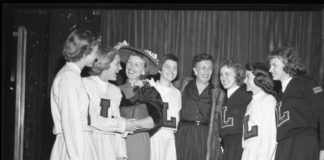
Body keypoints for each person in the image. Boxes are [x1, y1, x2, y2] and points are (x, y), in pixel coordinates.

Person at [49, 29, 100, 160]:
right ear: (85, 52)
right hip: (72, 147)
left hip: (79, 142)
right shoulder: (68, 77)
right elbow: (71, 122)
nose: (97, 56)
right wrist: (78, 155)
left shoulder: (73, 75)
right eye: (95, 52)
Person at [268, 47, 324, 160]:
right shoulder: (279, 94)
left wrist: (323, 149)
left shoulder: (307, 84)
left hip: (303, 143)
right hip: (284, 146)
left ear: (287, 64)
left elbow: (322, 116)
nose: (270, 70)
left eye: (274, 65)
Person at [82, 48, 138, 160]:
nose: (120, 68)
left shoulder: (115, 91)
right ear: (105, 63)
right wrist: (123, 124)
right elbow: (90, 119)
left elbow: (117, 125)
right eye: (117, 64)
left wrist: (121, 154)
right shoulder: (84, 84)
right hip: (90, 143)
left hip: (110, 148)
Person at [118, 45, 164, 160]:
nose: (131, 67)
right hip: (118, 142)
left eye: (137, 64)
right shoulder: (115, 90)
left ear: (143, 70)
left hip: (140, 143)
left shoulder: (150, 92)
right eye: (129, 62)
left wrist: (128, 125)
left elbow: (156, 120)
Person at [176, 53, 219, 160]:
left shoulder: (216, 93)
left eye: (209, 68)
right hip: (183, 133)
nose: (206, 71)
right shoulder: (184, 85)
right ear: (195, 71)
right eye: (203, 68)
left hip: (203, 136)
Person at [241, 62, 277, 160]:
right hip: (248, 153)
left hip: (260, 154)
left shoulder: (268, 100)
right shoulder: (250, 104)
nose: (244, 81)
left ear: (258, 77)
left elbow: (269, 137)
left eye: (248, 77)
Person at [218, 59, 252, 160]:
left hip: (240, 146)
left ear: (237, 75)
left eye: (227, 74)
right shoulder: (223, 99)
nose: (223, 78)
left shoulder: (247, 94)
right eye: (221, 74)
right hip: (226, 147)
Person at [150, 53, 182, 160]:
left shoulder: (178, 93)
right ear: (160, 69)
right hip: (154, 136)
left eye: (175, 68)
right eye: (168, 67)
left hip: (171, 137)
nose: (171, 71)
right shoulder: (151, 88)